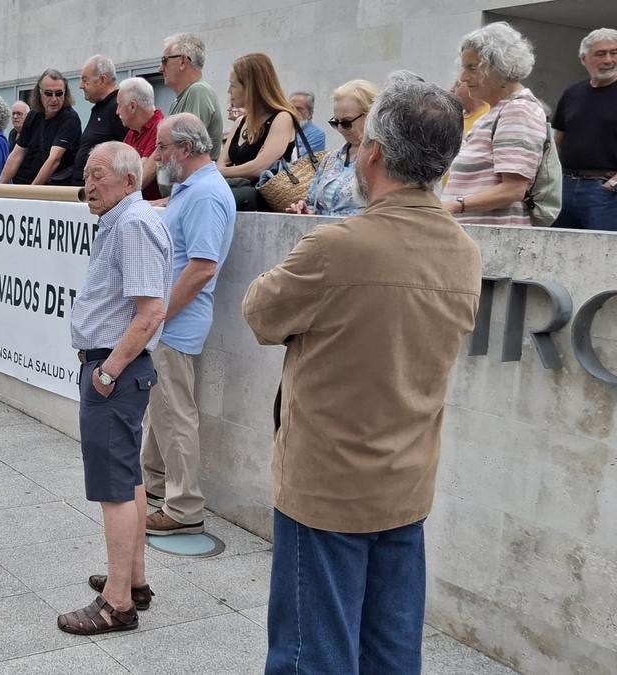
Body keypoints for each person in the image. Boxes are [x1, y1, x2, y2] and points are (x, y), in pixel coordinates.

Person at [243, 80, 481, 675]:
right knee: (392, 652)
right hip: (407, 482)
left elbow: (260, 313)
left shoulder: (339, 247)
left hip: (327, 489)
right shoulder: (462, 250)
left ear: (373, 153)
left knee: (311, 655)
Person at [61, 141, 171, 636]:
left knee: (114, 490)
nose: (89, 184)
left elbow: (150, 312)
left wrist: (107, 372)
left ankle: (117, 603)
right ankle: (135, 580)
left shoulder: (132, 224)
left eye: (99, 174)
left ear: (130, 180)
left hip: (115, 373)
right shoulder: (124, 220)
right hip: (116, 371)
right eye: (87, 174)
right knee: (127, 479)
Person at [138, 113, 236, 536]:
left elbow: (200, 269)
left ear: (187, 149)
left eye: (162, 147)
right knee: (161, 412)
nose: (156, 155)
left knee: (175, 415)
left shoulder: (205, 195)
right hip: (169, 322)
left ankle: (183, 508)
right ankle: (157, 491)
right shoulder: (192, 191)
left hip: (174, 324)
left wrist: (158, 315)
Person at [443, 22, 549, 227]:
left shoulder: (517, 111)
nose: (463, 77)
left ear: (501, 67)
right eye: (463, 67)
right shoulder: (499, 110)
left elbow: (514, 189)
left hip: (496, 240)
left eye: (472, 68)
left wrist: (453, 205)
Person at [551, 27, 617, 231]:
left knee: (603, 257)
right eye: (600, 54)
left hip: (606, 192)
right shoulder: (572, 94)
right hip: (565, 187)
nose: (608, 60)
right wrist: (550, 179)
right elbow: (557, 141)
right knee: (557, 251)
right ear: (583, 59)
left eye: (614, 53)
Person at [286, 80, 381, 216]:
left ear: (370, 115)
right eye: (335, 122)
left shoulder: (385, 158)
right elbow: (313, 202)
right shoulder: (330, 159)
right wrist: (306, 211)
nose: (341, 129)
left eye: (346, 122)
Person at [218, 53, 299, 181]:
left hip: (264, 197)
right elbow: (220, 165)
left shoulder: (282, 118)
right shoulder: (241, 121)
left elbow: (259, 169)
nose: (228, 91)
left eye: (233, 85)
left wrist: (224, 171)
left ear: (251, 88)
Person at [0, 68, 82, 186]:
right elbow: (16, 155)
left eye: (59, 93)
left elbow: (54, 160)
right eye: (48, 93)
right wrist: (0, 186)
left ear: (65, 93)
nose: (54, 99)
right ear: (40, 93)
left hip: (61, 188)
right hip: (37, 185)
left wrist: (32, 192)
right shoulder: (33, 116)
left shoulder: (70, 118)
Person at [160, 33, 223, 160]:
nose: (160, 68)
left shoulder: (198, 91)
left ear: (182, 61)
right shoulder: (181, 98)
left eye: (164, 60)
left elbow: (184, 151)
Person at [69, 55, 127, 186]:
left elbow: (129, 150)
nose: (81, 86)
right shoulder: (101, 107)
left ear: (102, 80)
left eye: (85, 80)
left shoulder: (117, 107)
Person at [115, 77, 165, 200]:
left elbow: (141, 178)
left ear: (132, 106)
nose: (117, 112)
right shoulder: (131, 134)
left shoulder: (161, 129)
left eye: (119, 106)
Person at [289, 90, 327, 157]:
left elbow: (304, 164)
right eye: (291, 108)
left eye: (299, 109)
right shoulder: (281, 130)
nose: (293, 112)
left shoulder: (316, 134)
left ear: (310, 113)